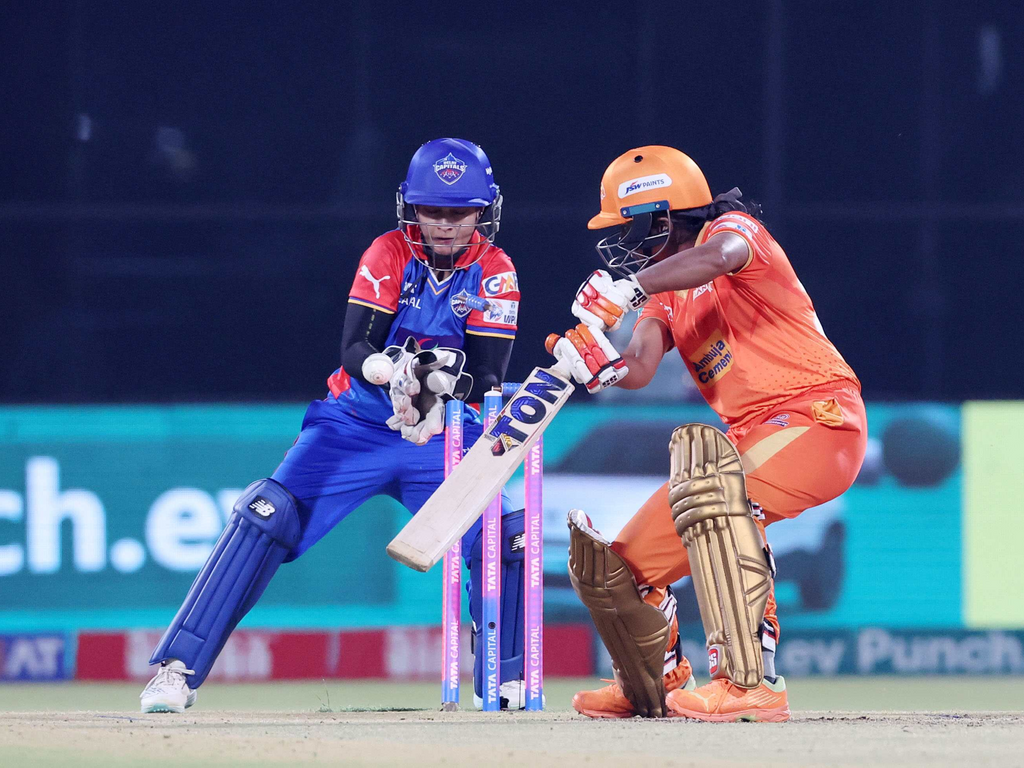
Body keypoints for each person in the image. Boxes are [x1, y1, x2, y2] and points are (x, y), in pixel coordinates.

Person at [140, 138, 529, 712]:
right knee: (265, 515)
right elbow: (354, 347)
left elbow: (489, 375)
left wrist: (438, 392)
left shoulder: (495, 271)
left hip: (440, 435)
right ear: (411, 207)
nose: (445, 224)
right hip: (354, 425)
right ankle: (177, 670)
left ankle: (503, 678)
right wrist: (392, 372)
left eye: (459, 212)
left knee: (506, 532)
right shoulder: (388, 252)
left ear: (483, 211)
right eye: (433, 210)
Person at [547, 145, 866, 722]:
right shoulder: (665, 292)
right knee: (615, 570)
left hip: (817, 419)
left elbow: (720, 257)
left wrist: (631, 286)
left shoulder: (733, 230)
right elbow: (639, 367)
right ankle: (653, 684)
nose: (623, 243)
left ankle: (751, 684)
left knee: (718, 499)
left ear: (664, 216)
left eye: (629, 226)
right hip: (749, 437)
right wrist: (599, 365)